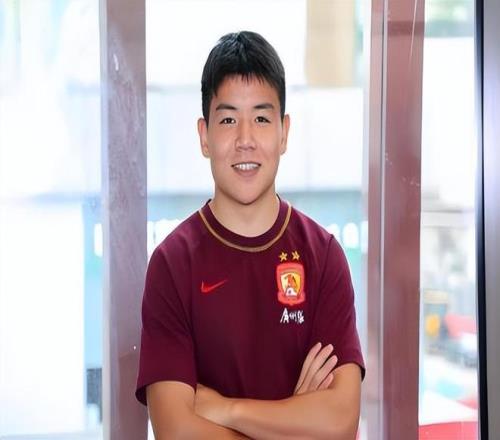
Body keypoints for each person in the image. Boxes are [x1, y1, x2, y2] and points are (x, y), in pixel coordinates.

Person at [136, 31, 365, 439]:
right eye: (228, 120)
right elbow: (176, 431)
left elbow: (340, 423)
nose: (245, 140)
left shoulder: (323, 256)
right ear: (204, 136)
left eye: (261, 118)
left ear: (284, 133)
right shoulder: (172, 264)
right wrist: (294, 419)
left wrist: (226, 409)